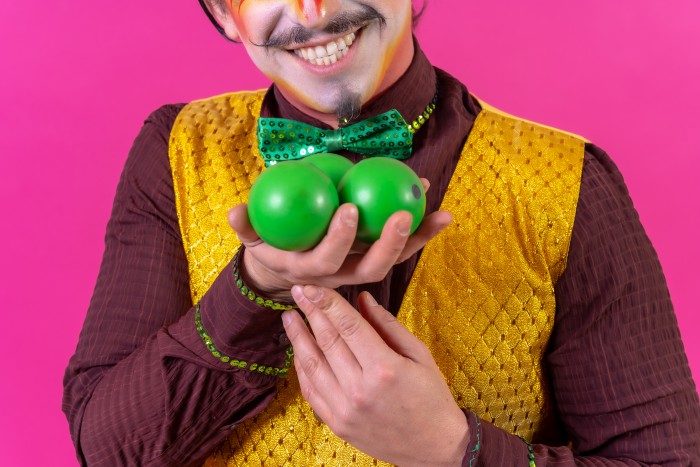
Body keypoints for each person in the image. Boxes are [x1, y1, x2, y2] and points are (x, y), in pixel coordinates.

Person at [63, 0, 700, 465]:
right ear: (224, 13)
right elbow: (108, 450)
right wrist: (255, 287)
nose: (312, 10)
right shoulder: (176, 151)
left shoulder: (567, 183)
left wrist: (455, 451)